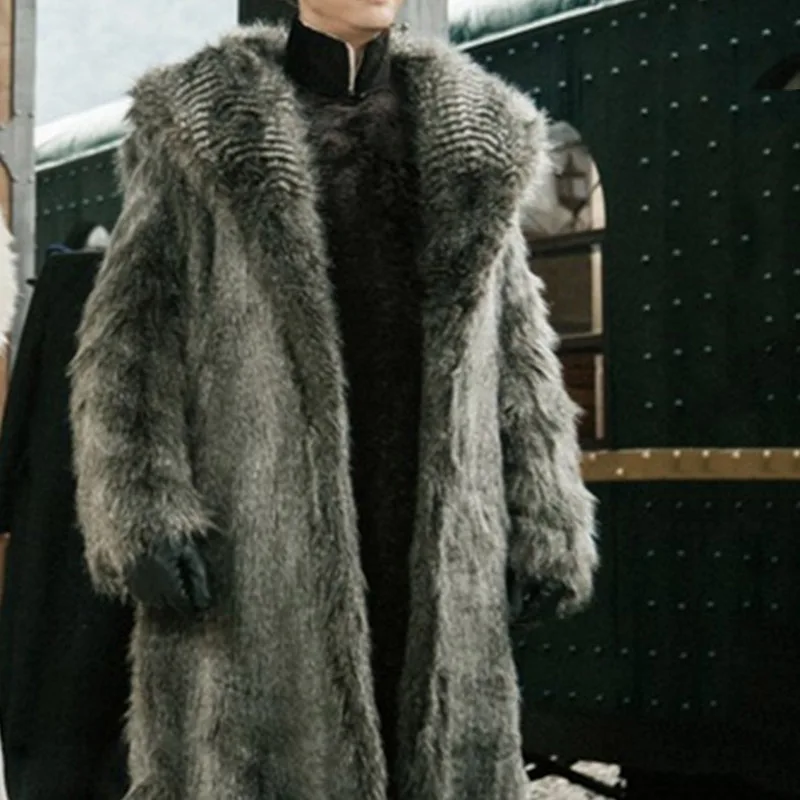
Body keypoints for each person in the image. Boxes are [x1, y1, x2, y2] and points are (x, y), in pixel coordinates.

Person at [69, 1, 598, 798]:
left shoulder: (475, 132)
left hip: (440, 547)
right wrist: (139, 510)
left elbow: (519, 346)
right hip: (256, 555)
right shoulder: (200, 124)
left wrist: (546, 516)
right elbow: (130, 338)